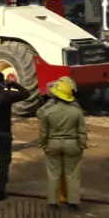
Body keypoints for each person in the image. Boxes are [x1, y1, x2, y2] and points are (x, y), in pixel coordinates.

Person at [38, 77, 87, 209]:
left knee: (53, 174)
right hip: (72, 144)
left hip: (53, 144)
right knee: (72, 174)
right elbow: (82, 131)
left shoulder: (48, 111)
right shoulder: (76, 111)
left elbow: (43, 132)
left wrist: (44, 145)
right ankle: (73, 202)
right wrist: (82, 145)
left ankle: (53, 202)